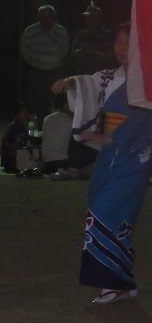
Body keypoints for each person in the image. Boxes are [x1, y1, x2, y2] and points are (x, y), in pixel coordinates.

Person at [51, 22, 152, 304]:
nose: (122, 48)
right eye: (119, 42)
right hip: (107, 160)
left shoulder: (146, 82)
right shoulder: (111, 77)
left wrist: (109, 139)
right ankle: (124, 280)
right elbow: (90, 83)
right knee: (115, 219)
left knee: (105, 215)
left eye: (128, 42)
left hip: (133, 162)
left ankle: (113, 283)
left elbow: (143, 120)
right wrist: (71, 82)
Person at [20, 5, 69, 119]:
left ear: (53, 17)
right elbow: (24, 50)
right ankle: (36, 128)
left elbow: (65, 50)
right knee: (36, 102)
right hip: (36, 72)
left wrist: (53, 61)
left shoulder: (61, 31)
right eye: (43, 17)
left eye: (48, 17)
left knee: (55, 101)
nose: (46, 20)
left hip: (55, 71)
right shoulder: (30, 31)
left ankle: (53, 126)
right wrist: (36, 62)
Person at [68, 4, 115, 76]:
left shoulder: (108, 35)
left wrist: (92, 51)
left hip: (102, 75)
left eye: (91, 18)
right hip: (84, 73)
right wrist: (82, 50)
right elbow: (73, 54)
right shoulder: (81, 34)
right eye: (86, 18)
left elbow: (111, 55)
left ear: (98, 19)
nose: (87, 20)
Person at [40, 93, 74, 175]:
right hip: (62, 162)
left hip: (46, 163)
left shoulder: (47, 119)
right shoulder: (71, 122)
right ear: (66, 104)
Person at [0, 102, 30, 174]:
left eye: (27, 112)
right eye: (23, 112)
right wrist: (17, 151)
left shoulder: (25, 127)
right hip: (11, 159)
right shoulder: (13, 127)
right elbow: (5, 141)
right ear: (16, 115)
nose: (26, 114)